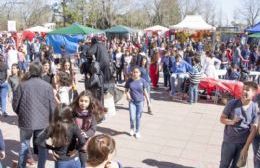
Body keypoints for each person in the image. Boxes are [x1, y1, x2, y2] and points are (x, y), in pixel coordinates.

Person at [12, 62, 56, 168]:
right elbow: (52, 106)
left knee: (24, 145)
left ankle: (21, 166)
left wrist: (20, 113)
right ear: (40, 71)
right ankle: (41, 166)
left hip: (26, 121)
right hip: (42, 121)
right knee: (42, 146)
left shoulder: (22, 85)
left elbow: (15, 104)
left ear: (30, 71)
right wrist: (51, 120)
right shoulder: (47, 86)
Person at [219, 81, 258, 168]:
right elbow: (222, 119)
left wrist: (246, 147)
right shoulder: (232, 103)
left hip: (243, 144)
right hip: (229, 142)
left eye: (247, 90)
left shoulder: (254, 108)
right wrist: (232, 121)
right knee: (224, 164)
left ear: (254, 93)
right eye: (243, 89)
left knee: (237, 166)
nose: (244, 92)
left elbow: (253, 130)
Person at [71, 90, 105, 168]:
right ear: (78, 100)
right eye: (81, 101)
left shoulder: (92, 114)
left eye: (86, 101)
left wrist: (86, 134)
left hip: (85, 144)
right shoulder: (73, 112)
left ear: (90, 102)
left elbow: (93, 129)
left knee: (83, 163)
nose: (83, 103)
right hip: (73, 143)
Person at [125, 67, 150, 138]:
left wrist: (148, 102)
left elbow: (145, 92)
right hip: (132, 102)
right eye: (134, 72)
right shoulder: (129, 81)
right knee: (132, 117)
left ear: (139, 73)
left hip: (140, 102)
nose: (135, 73)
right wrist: (128, 95)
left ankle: (137, 131)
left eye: (136, 72)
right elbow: (126, 90)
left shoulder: (142, 81)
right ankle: (132, 128)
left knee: (138, 117)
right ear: (132, 73)